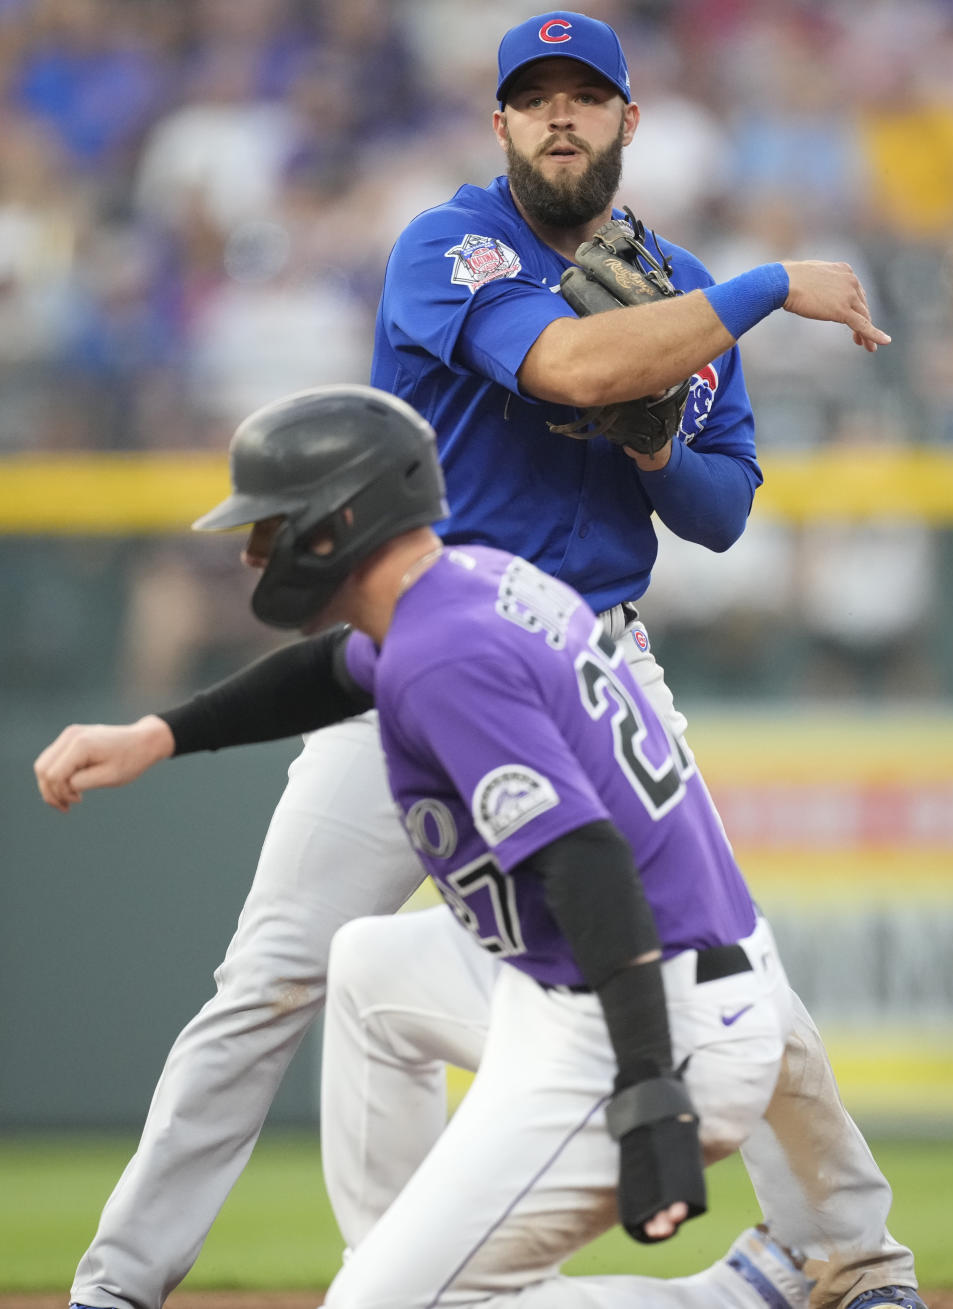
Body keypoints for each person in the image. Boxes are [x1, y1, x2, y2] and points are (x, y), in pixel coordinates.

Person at [36, 13, 921, 1309]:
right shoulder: (452, 247)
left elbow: (722, 512)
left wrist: (651, 441)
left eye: (586, 97)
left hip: (593, 656)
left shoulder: (668, 282)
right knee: (278, 971)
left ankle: (847, 1250)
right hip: (415, 653)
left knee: (739, 961)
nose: (560, 115)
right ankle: (121, 1281)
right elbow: (563, 361)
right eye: (534, 98)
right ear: (498, 124)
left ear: (629, 122)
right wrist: (763, 287)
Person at [49, 382, 824, 1309]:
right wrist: (159, 734)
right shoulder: (457, 590)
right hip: (634, 981)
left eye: (271, 525)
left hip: (657, 1015)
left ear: (341, 524)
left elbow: (587, 861)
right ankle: (399, 1265)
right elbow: (327, 674)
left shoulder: (445, 653)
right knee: (367, 960)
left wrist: (648, 1090)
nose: (256, 550)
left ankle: (736, 1298)